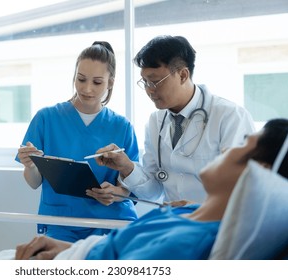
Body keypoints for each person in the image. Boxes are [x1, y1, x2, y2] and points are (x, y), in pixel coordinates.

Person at [15, 118, 288, 260]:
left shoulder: (190, 240)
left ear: (260, 170)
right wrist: (67, 249)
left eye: (243, 143)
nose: (227, 148)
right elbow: (118, 249)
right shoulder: (187, 212)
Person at [87, 35, 255, 205]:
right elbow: (153, 192)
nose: (149, 90)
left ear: (183, 75)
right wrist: (126, 167)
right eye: (144, 82)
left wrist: (197, 208)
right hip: (173, 222)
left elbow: (243, 189)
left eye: (154, 82)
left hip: (216, 225)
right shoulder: (155, 121)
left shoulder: (230, 117)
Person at [16, 41, 139, 242]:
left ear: (110, 82)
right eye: (81, 79)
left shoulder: (122, 126)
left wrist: (114, 193)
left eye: (97, 82)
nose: (87, 89)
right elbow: (34, 182)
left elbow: (129, 188)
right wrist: (29, 165)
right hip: (61, 223)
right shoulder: (46, 119)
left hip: (111, 222)